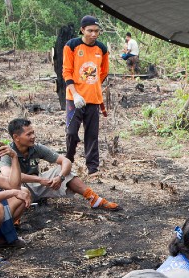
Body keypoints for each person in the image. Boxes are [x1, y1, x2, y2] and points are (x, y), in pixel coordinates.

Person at [0, 118, 119, 210]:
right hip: (20, 189)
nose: (33, 136)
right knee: (12, 184)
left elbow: (65, 161)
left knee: (62, 171)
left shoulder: (36, 148)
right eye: (28, 134)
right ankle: (14, 219)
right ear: (16, 137)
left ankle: (95, 199)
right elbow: (8, 175)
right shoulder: (7, 152)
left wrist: (60, 177)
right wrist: (39, 180)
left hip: (37, 186)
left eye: (33, 133)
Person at [63, 15, 109, 177]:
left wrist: (93, 86)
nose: (94, 34)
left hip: (93, 99)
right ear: (82, 30)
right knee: (71, 133)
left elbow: (104, 72)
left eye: (96, 31)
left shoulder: (101, 49)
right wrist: (75, 94)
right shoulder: (72, 46)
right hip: (74, 98)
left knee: (91, 135)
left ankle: (93, 169)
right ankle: (67, 162)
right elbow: (67, 71)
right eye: (90, 31)